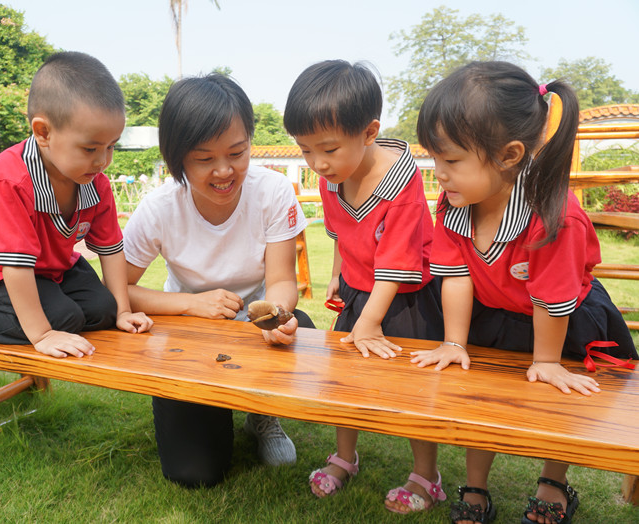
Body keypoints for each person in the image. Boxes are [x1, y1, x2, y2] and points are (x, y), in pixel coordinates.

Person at [411, 61, 638, 524]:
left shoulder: (555, 217)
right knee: (479, 397)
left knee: (556, 400)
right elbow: (456, 276)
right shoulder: (455, 204)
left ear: (510, 154)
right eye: (434, 159)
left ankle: (552, 485)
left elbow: (552, 299)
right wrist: (455, 342)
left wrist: (548, 361)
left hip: (561, 320)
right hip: (493, 313)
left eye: (450, 160)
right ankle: (475, 489)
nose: (438, 174)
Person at [123, 73, 314, 488]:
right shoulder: (158, 208)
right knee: (195, 473)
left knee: (304, 330)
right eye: (204, 158)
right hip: (187, 337)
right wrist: (193, 304)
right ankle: (215, 409)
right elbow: (118, 291)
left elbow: (282, 280)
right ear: (177, 158)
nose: (225, 171)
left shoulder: (273, 191)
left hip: (252, 330)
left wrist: (276, 318)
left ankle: (262, 415)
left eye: (237, 152)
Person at [284, 60, 445, 515]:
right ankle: (344, 457)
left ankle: (426, 475)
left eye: (328, 149)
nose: (317, 162)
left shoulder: (402, 182)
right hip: (360, 292)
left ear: (370, 131)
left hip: (407, 295)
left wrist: (370, 323)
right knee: (343, 381)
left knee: (416, 392)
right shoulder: (332, 176)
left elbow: (396, 264)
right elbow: (341, 233)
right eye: (305, 150)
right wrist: (339, 276)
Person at [0, 51, 153, 357]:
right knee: (63, 320)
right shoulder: (11, 180)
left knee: (102, 312)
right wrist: (42, 335)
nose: (103, 160)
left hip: (51, 267)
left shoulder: (95, 180)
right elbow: (14, 265)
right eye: (90, 148)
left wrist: (122, 312)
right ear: (43, 132)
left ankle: (65, 312)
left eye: (111, 146)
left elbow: (111, 249)